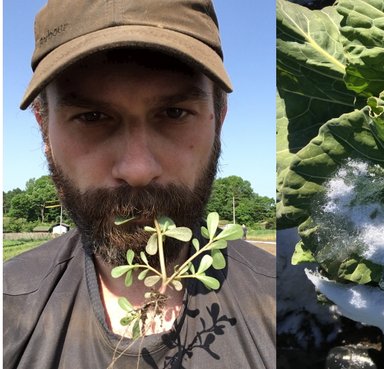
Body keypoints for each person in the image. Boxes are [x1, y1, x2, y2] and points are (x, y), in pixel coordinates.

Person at [3, 1, 276, 368]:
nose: (137, 169)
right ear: (44, 126)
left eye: (174, 113)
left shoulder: (280, 303)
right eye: (92, 116)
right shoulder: (9, 307)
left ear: (220, 117)